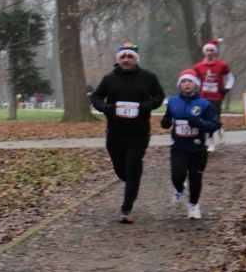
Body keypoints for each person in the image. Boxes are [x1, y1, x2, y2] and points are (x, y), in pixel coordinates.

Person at [89, 43, 166, 223]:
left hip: (139, 131)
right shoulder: (109, 79)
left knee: (131, 167)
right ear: (119, 59)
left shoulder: (148, 77)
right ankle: (133, 178)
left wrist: (149, 105)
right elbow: (95, 96)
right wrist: (104, 107)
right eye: (123, 57)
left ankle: (126, 208)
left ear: (135, 59)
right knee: (121, 168)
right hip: (115, 131)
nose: (126, 60)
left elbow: (159, 96)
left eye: (130, 57)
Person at [162, 70, 220, 219]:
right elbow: (167, 118)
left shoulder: (204, 104)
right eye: (183, 81)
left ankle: (193, 205)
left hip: (198, 147)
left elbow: (215, 125)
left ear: (196, 84)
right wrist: (165, 122)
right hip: (179, 146)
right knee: (177, 174)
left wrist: (200, 123)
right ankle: (179, 189)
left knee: (195, 178)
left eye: (190, 81)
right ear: (179, 85)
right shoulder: (173, 102)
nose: (186, 84)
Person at [190, 39, 234, 152]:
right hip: (203, 97)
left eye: (211, 50)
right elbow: (194, 80)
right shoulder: (198, 67)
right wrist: (194, 91)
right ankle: (211, 142)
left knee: (214, 119)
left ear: (214, 52)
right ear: (204, 52)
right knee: (206, 119)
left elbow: (231, 78)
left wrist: (227, 89)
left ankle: (219, 129)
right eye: (207, 50)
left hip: (217, 97)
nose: (209, 52)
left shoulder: (222, 65)